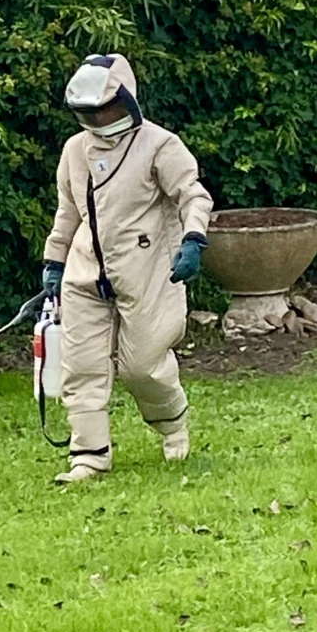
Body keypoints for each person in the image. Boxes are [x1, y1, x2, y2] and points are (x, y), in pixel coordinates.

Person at [42, 53, 213, 484]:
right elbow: (68, 213)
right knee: (80, 365)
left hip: (149, 270)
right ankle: (89, 455)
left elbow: (193, 195)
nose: (99, 118)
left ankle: (173, 424)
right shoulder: (74, 151)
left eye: (106, 108)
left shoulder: (160, 144)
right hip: (85, 273)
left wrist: (194, 239)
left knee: (141, 365)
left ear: (126, 100)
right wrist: (54, 262)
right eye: (89, 112)